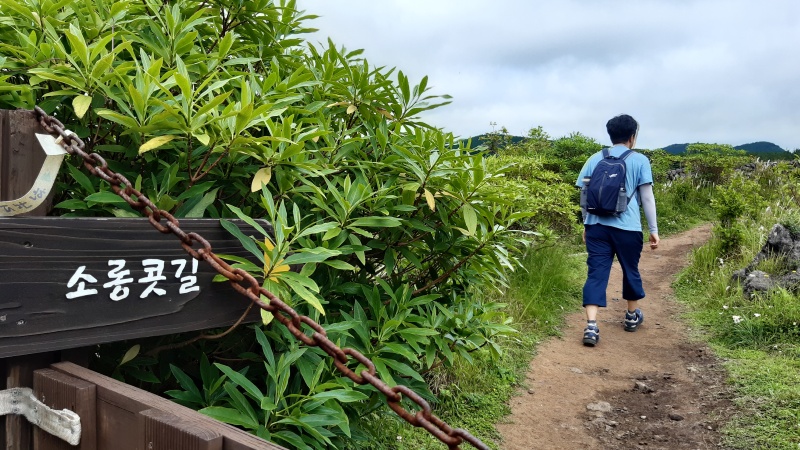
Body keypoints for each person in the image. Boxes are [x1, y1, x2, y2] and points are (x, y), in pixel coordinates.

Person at [575, 114, 659, 346]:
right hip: (628, 228)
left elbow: (583, 196)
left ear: (610, 135)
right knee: (630, 270)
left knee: (596, 273)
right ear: (632, 137)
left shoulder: (594, 158)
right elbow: (647, 198)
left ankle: (591, 326)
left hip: (596, 227)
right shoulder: (640, 160)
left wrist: (586, 223)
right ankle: (632, 317)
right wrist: (653, 229)